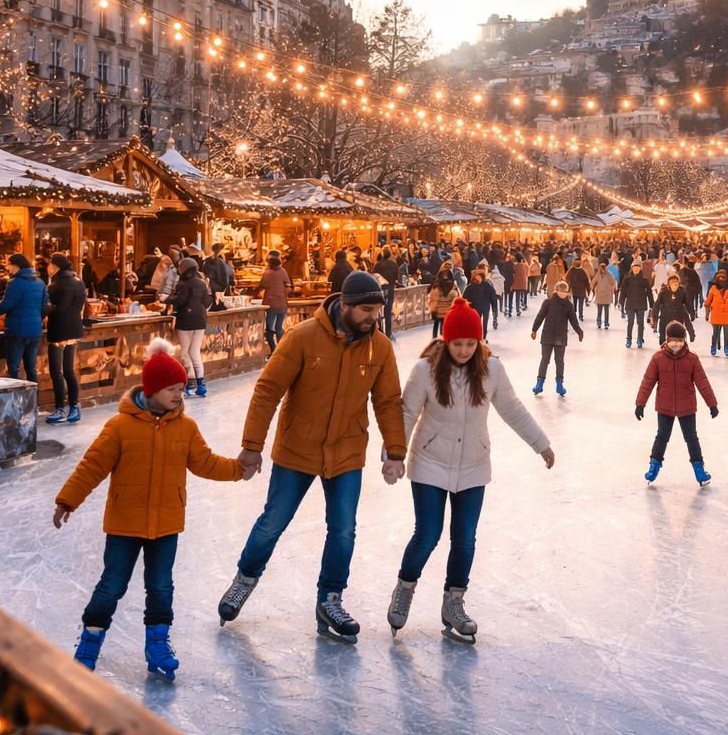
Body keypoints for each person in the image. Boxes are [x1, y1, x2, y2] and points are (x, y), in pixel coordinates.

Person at [218, 271, 406, 642]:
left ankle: (330, 599)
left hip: (346, 452)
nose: (373, 317)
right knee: (273, 522)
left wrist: (396, 451)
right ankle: (245, 578)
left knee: (343, 530)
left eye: (377, 310)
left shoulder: (379, 347)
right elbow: (268, 390)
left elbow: (387, 401)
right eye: (366, 309)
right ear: (347, 306)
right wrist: (252, 445)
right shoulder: (302, 338)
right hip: (296, 449)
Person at [54, 337, 253, 678]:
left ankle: (157, 643)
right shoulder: (120, 427)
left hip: (166, 524)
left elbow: (204, 462)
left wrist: (237, 469)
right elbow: (92, 466)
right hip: (124, 524)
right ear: (152, 389)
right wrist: (67, 500)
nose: (179, 394)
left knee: (160, 587)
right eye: (172, 388)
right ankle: (91, 639)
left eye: (182, 387)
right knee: (111, 586)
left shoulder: (186, 428)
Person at [387, 299, 555, 642]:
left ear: (479, 342)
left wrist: (541, 443)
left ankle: (454, 603)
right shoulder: (425, 370)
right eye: (457, 343)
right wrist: (394, 455)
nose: (463, 350)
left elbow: (513, 409)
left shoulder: (492, 369)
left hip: (473, 466)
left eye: (470, 343)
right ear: (445, 342)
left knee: (464, 540)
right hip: (430, 463)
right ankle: (405, 587)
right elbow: (406, 414)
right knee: (428, 534)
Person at [635, 320, 719, 487]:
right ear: (667, 340)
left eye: (680, 340)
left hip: (686, 407)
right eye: (673, 340)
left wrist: (712, 404)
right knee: (662, 437)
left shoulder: (692, 359)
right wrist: (640, 404)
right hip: (665, 407)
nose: (676, 344)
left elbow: (703, 383)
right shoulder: (658, 358)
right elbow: (648, 381)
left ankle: (699, 470)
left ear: (684, 340)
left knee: (691, 438)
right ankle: (653, 467)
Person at [44, 252, 86, 425]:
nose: (47, 267)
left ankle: (60, 408)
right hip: (75, 329)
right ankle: (74, 406)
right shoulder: (78, 282)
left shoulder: (56, 285)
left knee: (56, 372)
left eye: (49, 264)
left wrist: (45, 310)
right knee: (69, 370)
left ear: (55, 266)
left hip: (59, 330)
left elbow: (58, 309)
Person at [0, 252, 47, 383]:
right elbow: (45, 305)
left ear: (16, 266)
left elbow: (7, 305)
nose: (8, 268)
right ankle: (33, 400)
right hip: (34, 331)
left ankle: (16, 400)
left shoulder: (14, 283)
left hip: (17, 330)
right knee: (31, 368)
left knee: (13, 369)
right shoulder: (40, 282)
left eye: (9, 265)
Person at [530, 280, 583, 396]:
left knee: (559, 361)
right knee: (545, 359)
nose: (563, 293)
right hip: (547, 336)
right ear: (556, 290)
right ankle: (539, 383)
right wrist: (534, 330)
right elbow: (540, 316)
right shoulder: (548, 302)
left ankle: (560, 384)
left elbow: (573, 320)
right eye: (561, 291)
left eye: (565, 291)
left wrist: (579, 332)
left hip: (561, 337)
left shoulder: (568, 305)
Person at [168, 256, 212, 398]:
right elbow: (206, 301)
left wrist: (166, 299)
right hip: (200, 321)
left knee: (185, 352)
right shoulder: (201, 283)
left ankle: (189, 383)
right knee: (195, 352)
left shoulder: (182, 284)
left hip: (185, 322)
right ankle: (201, 385)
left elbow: (179, 301)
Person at [259, 250, 292, 357]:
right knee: (279, 328)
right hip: (281, 304)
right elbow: (288, 286)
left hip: (270, 304)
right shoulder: (283, 271)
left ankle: (274, 350)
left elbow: (262, 285)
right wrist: (284, 295)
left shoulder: (267, 272)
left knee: (269, 329)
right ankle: (281, 350)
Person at [619, 260, 655, 349]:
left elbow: (649, 292)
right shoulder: (627, 279)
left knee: (640, 323)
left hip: (641, 304)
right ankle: (629, 339)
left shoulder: (644, 279)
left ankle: (640, 338)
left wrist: (652, 305)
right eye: (635, 267)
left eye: (638, 267)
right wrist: (621, 303)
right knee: (630, 322)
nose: (636, 269)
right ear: (632, 268)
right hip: (630, 304)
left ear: (640, 268)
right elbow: (623, 291)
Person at [704, 270, 728, 357]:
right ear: (717, 280)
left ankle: (726, 348)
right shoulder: (713, 289)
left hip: (726, 316)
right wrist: (707, 315)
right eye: (720, 280)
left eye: (723, 280)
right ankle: (713, 346)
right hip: (716, 315)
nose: (722, 281)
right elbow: (708, 302)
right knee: (715, 333)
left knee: (726, 334)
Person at [463, 266, 498, 341]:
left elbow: (493, 298)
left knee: (484, 324)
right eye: (476, 278)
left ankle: (483, 338)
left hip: (485, 308)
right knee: (477, 323)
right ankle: (479, 337)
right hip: (476, 308)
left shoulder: (487, 286)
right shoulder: (471, 287)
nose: (477, 279)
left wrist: (494, 309)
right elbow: (465, 298)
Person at [427, 265, 461, 339]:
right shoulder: (453, 286)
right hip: (447, 312)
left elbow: (434, 299)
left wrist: (433, 310)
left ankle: (436, 339)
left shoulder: (437, 286)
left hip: (440, 311)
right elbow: (457, 298)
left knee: (438, 326)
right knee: (442, 327)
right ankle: (442, 339)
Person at [591, 260, 617, 331]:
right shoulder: (598, 274)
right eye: (601, 269)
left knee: (606, 310)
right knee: (599, 310)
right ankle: (599, 322)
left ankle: (606, 323)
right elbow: (593, 282)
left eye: (603, 269)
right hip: (599, 294)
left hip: (607, 294)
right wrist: (592, 288)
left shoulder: (609, 275)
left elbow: (613, 283)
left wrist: (613, 290)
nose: (602, 271)